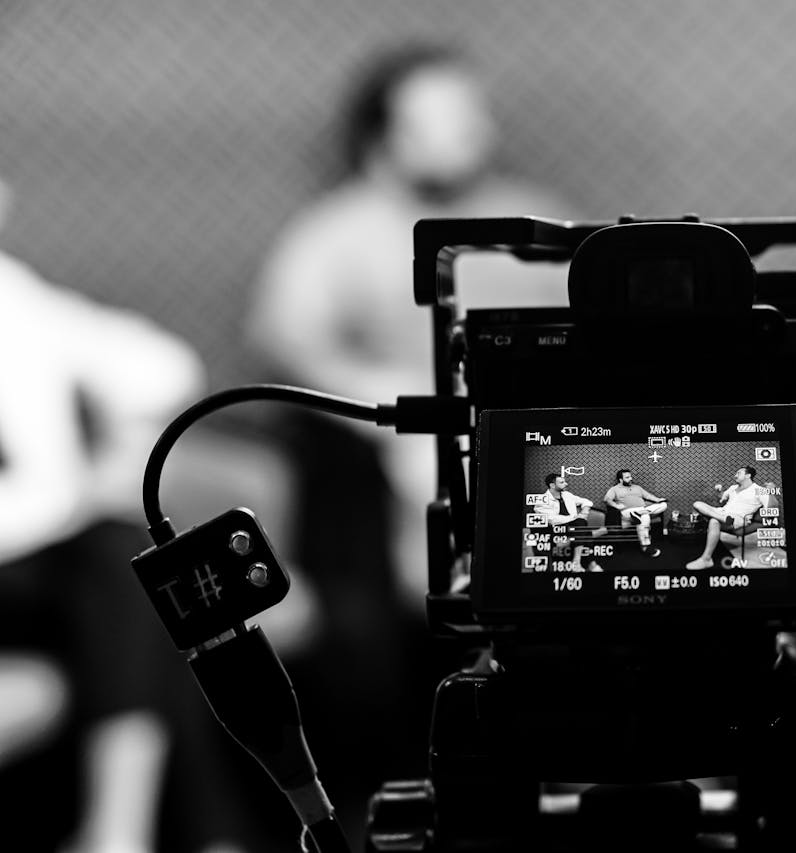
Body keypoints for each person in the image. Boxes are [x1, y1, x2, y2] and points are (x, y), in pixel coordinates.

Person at [245, 43, 577, 839]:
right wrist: (400, 410)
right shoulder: (338, 231)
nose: (476, 126)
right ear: (383, 130)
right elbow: (285, 342)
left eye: (475, 110)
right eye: (448, 112)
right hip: (384, 471)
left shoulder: (528, 217)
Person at [0, 205, 250, 852]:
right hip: (27, 557)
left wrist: (117, 447)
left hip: (46, 558)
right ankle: (196, 837)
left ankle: (118, 834)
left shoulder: (16, 296)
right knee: (147, 586)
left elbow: (162, 366)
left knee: (142, 572)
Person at [685, 465, 770, 570]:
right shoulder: (733, 488)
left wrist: (771, 492)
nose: (735, 475)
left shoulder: (759, 490)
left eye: (738, 473)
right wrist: (719, 492)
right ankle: (722, 518)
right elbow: (722, 498)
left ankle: (706, 559)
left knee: (713, 521)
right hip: (722, 513)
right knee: (697, 504)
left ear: (748, 475)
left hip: (738, 518)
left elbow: (770, 506)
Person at [535, 473, 606, 571]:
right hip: (557, 531)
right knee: (582, 527)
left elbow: (586, 502)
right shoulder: (541, 500)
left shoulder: (567, 495)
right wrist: (575, 517)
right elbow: (551, 520)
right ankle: (591, 564)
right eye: (562, 482)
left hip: (574, 529)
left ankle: (576, 562)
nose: (566, 484)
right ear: (552, 485)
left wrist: (584, 512)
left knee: (581, 526)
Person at [603, 469, 667, 557]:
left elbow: (648, 496)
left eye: (630, 476)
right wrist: (616, 505)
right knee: (645, 516)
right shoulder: (614, 489)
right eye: (627, 477)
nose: (630, 478)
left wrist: (658, 500)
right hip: (627, 512)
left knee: (663, 505)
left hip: (641, 510)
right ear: (620, 479)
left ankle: (640, 514)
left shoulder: (637, 487)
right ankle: (644, 546)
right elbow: (607, 499)